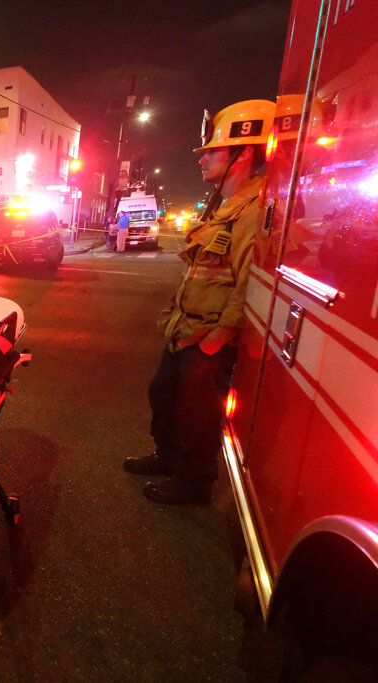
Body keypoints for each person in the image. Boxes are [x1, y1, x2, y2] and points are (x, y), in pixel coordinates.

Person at [123, 99, 275, 505]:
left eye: (212, 151)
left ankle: (193, 483)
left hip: (208, 335)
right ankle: (169, 458)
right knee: (164, 394)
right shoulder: (224, 205)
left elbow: (250, 280)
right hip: (186, 329)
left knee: (197, 413)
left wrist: (220, 335)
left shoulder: (254, 210)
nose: (203, 160)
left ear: (243, 154)